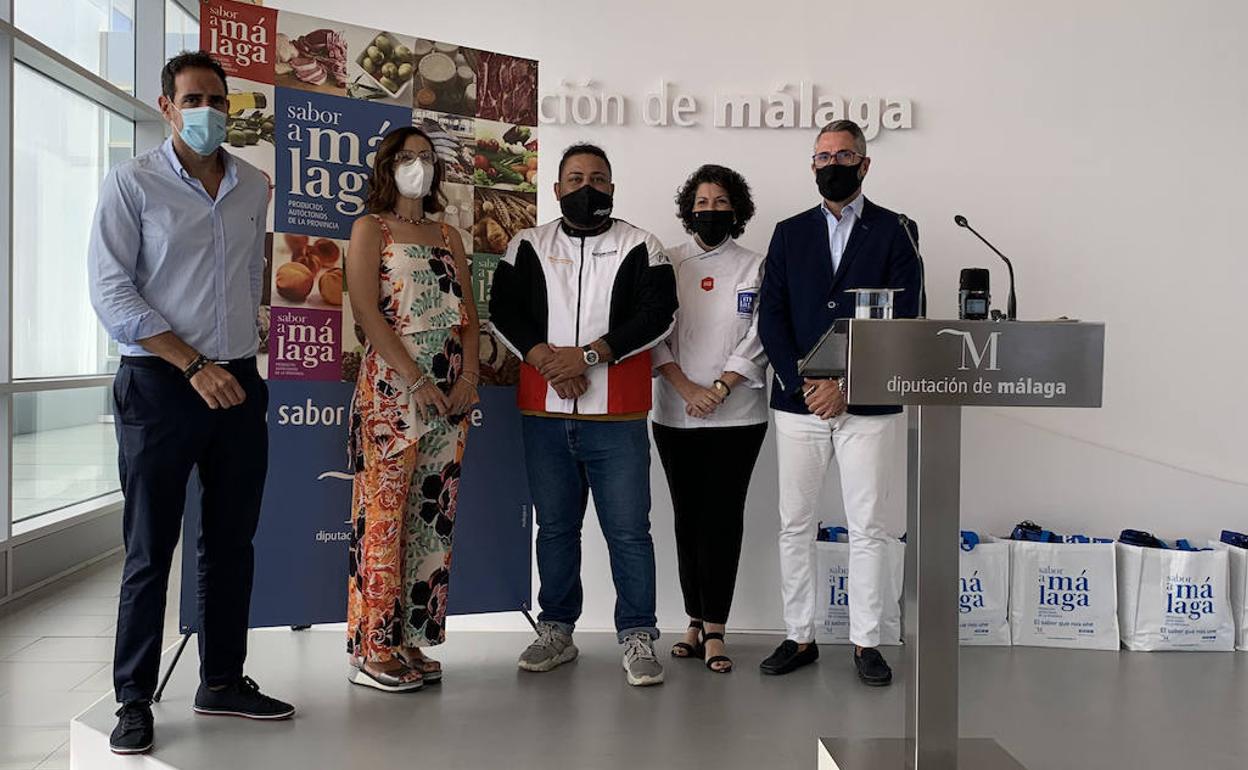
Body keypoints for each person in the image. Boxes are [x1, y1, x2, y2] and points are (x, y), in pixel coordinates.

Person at [87, 51, 294, 756]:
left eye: (218, 99)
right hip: (159, 384)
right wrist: (192, 363)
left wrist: (239, 360)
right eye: (193, 98)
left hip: (237, 381)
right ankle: (133, 699)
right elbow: (112, 293)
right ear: (166, 105)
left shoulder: (251, 187)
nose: (207, 110)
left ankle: (222, 680)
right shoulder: (132, 183)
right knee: (150, 549)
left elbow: (251, 276)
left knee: (232, 542)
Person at [489, 143, 678, 686]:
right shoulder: (527, 244)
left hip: (617, 416)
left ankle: (639, 636)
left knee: (628, 532)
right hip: (544, 411)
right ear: (556, 189)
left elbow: (659, 315)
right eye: (574, 178)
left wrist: (590, 356)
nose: (586, 186)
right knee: (554, 529)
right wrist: (550, 362)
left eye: (597, 177)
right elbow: (505, 311)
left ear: (612, 188)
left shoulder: (643, 245)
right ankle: (556, 630)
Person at [757, 119, 921, 685]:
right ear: (812, 165)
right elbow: (771, 315)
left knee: (869, 526)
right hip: (798, 402)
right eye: (823, 156)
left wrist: (849, 386)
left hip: (868, 406)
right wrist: (805, 382)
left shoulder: (897, 231)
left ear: (865, 164)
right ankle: (800, 636)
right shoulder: (787, 232)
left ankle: (866, 642)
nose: (832, 164)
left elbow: (906, 318)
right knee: (794, 523)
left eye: (844, 154)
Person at [344, 126, 480, 692]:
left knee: (431, 518)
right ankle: (373, 647)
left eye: (426, 158)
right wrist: (415, 378)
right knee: (383, 517)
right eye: (406, 157)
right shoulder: (370, 228)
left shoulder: (449, 234)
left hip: (449, 397)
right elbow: (368, 313)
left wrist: (469, 376)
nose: (417, 166)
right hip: (394, 396)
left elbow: (470, 315)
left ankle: (412, 639)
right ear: (387, 165)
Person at [652, 165, 769, 674]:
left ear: (737, 211)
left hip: (738, 415)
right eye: (702, 202)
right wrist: (685, 388)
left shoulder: (756, 266)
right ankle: (693, 621)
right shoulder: (666, 262)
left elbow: (762, 334)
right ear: (688, 209)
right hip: (675, 413)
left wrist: (720, 387)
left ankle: (717, 627)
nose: (711, 211)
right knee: (685, 518)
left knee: (723, 519)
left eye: (722, 203)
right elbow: (651, 330)